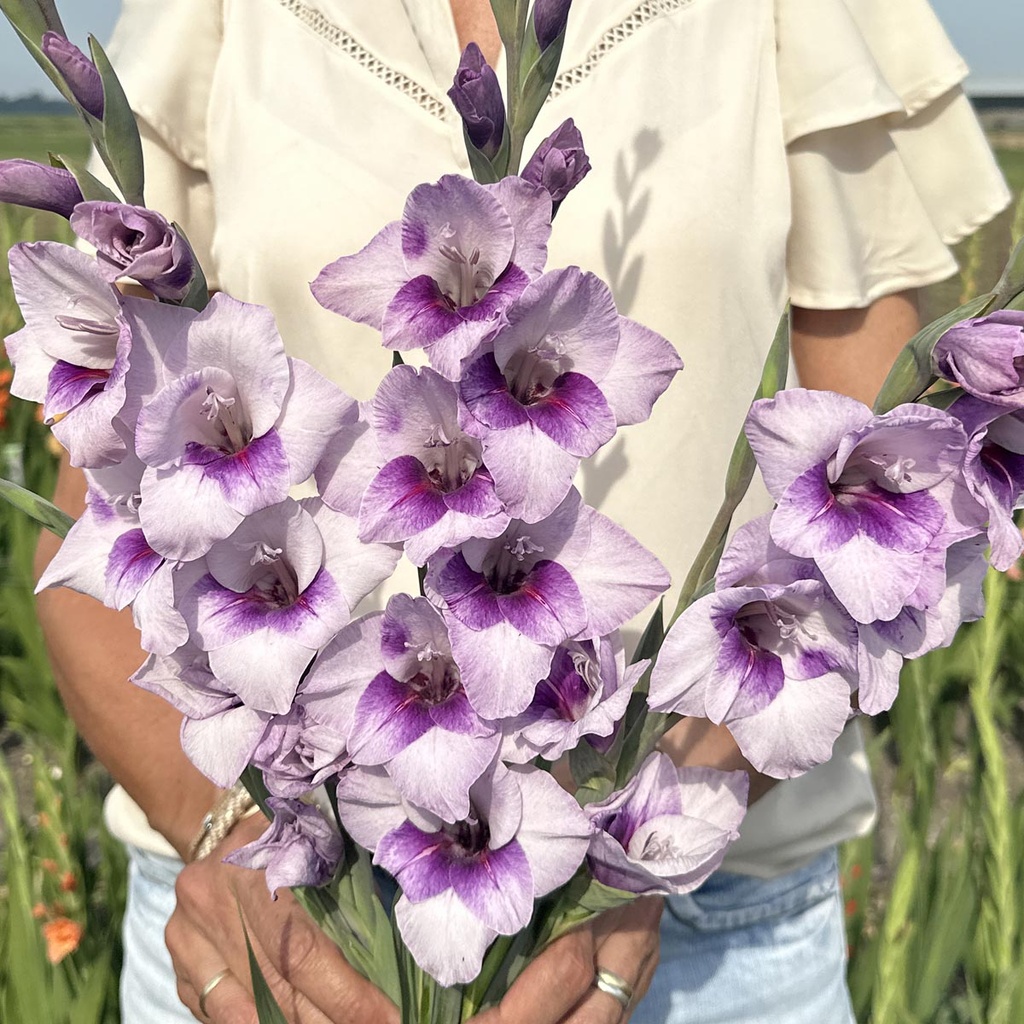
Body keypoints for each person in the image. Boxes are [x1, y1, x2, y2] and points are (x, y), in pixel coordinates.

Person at [31, 0, 1010, 1021]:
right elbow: (105, 539)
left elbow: (899, 540)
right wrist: (236, 835)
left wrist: (620, 842)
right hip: (271, 937)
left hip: (698, 932)